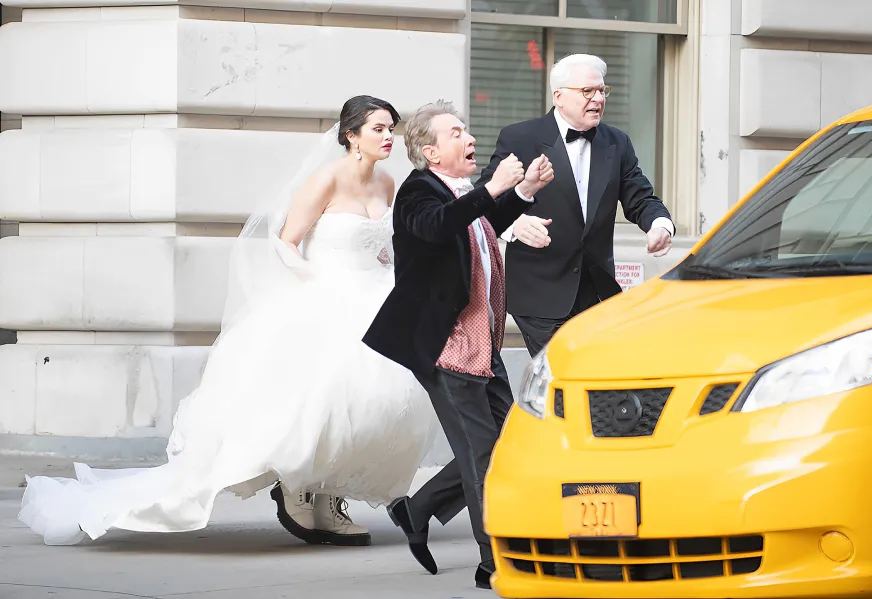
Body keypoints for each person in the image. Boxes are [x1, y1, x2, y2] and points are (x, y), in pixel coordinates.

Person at [17, 95, 439, 547]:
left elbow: (384, 244)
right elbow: (286, 242)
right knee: (318, 401)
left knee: (368, 405)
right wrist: (317, 284)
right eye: (378, 128)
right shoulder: (325, 179)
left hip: (375, 298)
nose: (388, 136)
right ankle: (297, 488)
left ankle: (328, 498)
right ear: (351, 135)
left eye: (391, 128)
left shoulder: (388, 184)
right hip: (326, 295)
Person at [363, 100, 554, 590]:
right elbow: (438, 225)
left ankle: (418, 508)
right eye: (456, 133)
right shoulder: (417, 193)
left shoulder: (461, 191)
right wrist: (494, 187)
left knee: (509, 444)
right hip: (446, 347)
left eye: (466, 130)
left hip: (482, 344)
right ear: (431, 151)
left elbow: (478, 222)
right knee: (486, 456)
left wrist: (524, 191)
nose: (469, 139)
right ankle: (496, 562)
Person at [476, 53, 675, 357]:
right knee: (560, 376)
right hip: (539, 291)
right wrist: (515, 225)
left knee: (594, 383)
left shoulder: (617, 142)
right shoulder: (521, 137)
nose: (597, 98)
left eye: (602, 91)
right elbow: (485, 200)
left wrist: (660, 225)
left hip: (597, 292)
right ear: (559, 97)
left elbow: (640, 197)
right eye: (587, 91)